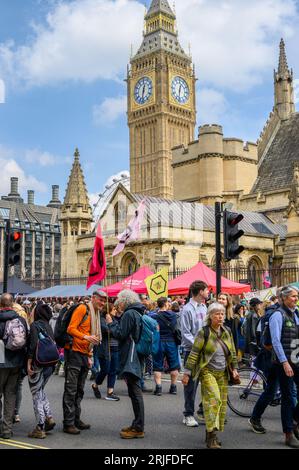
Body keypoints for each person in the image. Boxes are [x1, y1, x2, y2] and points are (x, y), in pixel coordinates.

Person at [182, 302, 239, 449]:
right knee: (214, 400)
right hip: (207, 372)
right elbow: (194, 354)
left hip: (223, 373)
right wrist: (187, 373)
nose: (220, 317)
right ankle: (211, 438)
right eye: (217, 314)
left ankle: (211, 434)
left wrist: (235, 369)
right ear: (210, 316)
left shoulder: (227, 331)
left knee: (221, 405)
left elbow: (232, 352)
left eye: (222, 314)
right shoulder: (204, 332)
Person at [106, 290, 145, 439]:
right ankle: (136, 424)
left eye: (119, 301)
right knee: (134, 391)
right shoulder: (137, 312)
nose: (118, 304)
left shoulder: (130, 314)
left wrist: (110, 323)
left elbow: (121, 333)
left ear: (125, 301)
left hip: (130, 355)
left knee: (135, 392)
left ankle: (138, 427)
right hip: (135, 354)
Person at [62, 291, 103, 435]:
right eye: (100, 300)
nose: (102, 303)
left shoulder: (96, 314)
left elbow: (92, 336)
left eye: (104, 301)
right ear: (93, 298)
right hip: (74, 352)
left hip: (85, 354)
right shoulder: (82, 309)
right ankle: (68, 423)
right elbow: (70, 329)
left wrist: (90, 355)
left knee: (79, 389)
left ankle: (75, 419)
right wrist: (86, 336)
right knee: (71, 389)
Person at [269, 285, 299, 448]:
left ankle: (294, 420)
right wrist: (285, 362)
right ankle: (288, 434)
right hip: (284, 362)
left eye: (297, 296)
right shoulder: (277, 315)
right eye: (293, 296)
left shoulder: (296, 314)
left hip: (297, 359)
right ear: (285, 298)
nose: (296, 299)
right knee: (288, 397)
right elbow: (275, 341)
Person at [181, 280, 209, 427]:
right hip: (191, 352)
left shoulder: (204, 307)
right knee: (191, 385)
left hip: (205, 352)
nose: (208, 292)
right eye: (207, 290)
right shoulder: (187, 309)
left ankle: (203, 411)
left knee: (207, 382)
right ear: (200, 292)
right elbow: (185, 333)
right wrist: (199, 346)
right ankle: (188, 414)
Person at [0, 294, 28, 439]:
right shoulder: (21, 319)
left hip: (0, 362)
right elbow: (27, 339)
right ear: (12, 304)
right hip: (16, 363)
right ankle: (6, 430)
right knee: (10, 395)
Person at [27, 302, 56, 439]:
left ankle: (40, 427)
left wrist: (28, 363)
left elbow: (33, 345)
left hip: (37, 363)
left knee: (36, 395)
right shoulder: (48, 326)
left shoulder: (35, 325)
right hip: (49, 364)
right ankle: (48, 416)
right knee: (41, 391)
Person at [151, 297, 180, 396]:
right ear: (165, 304)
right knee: (174, 365)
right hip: (171, 342)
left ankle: (158, 388)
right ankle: (173, 387)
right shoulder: (173, 315)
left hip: (159, 341)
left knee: (158, 365)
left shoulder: (154, 316)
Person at [91, 303, 120, 401]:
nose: (115, 310)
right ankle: (95, 385)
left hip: (115, 348)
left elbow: (117, 333)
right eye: (114, 309)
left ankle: (110, 392)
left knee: (113, 370)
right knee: (105, 370)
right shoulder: (101, 320)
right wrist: (109, 323)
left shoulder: (115, 320)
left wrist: (111, 323)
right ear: (109, 310)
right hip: (105, 349)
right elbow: (106, 331)